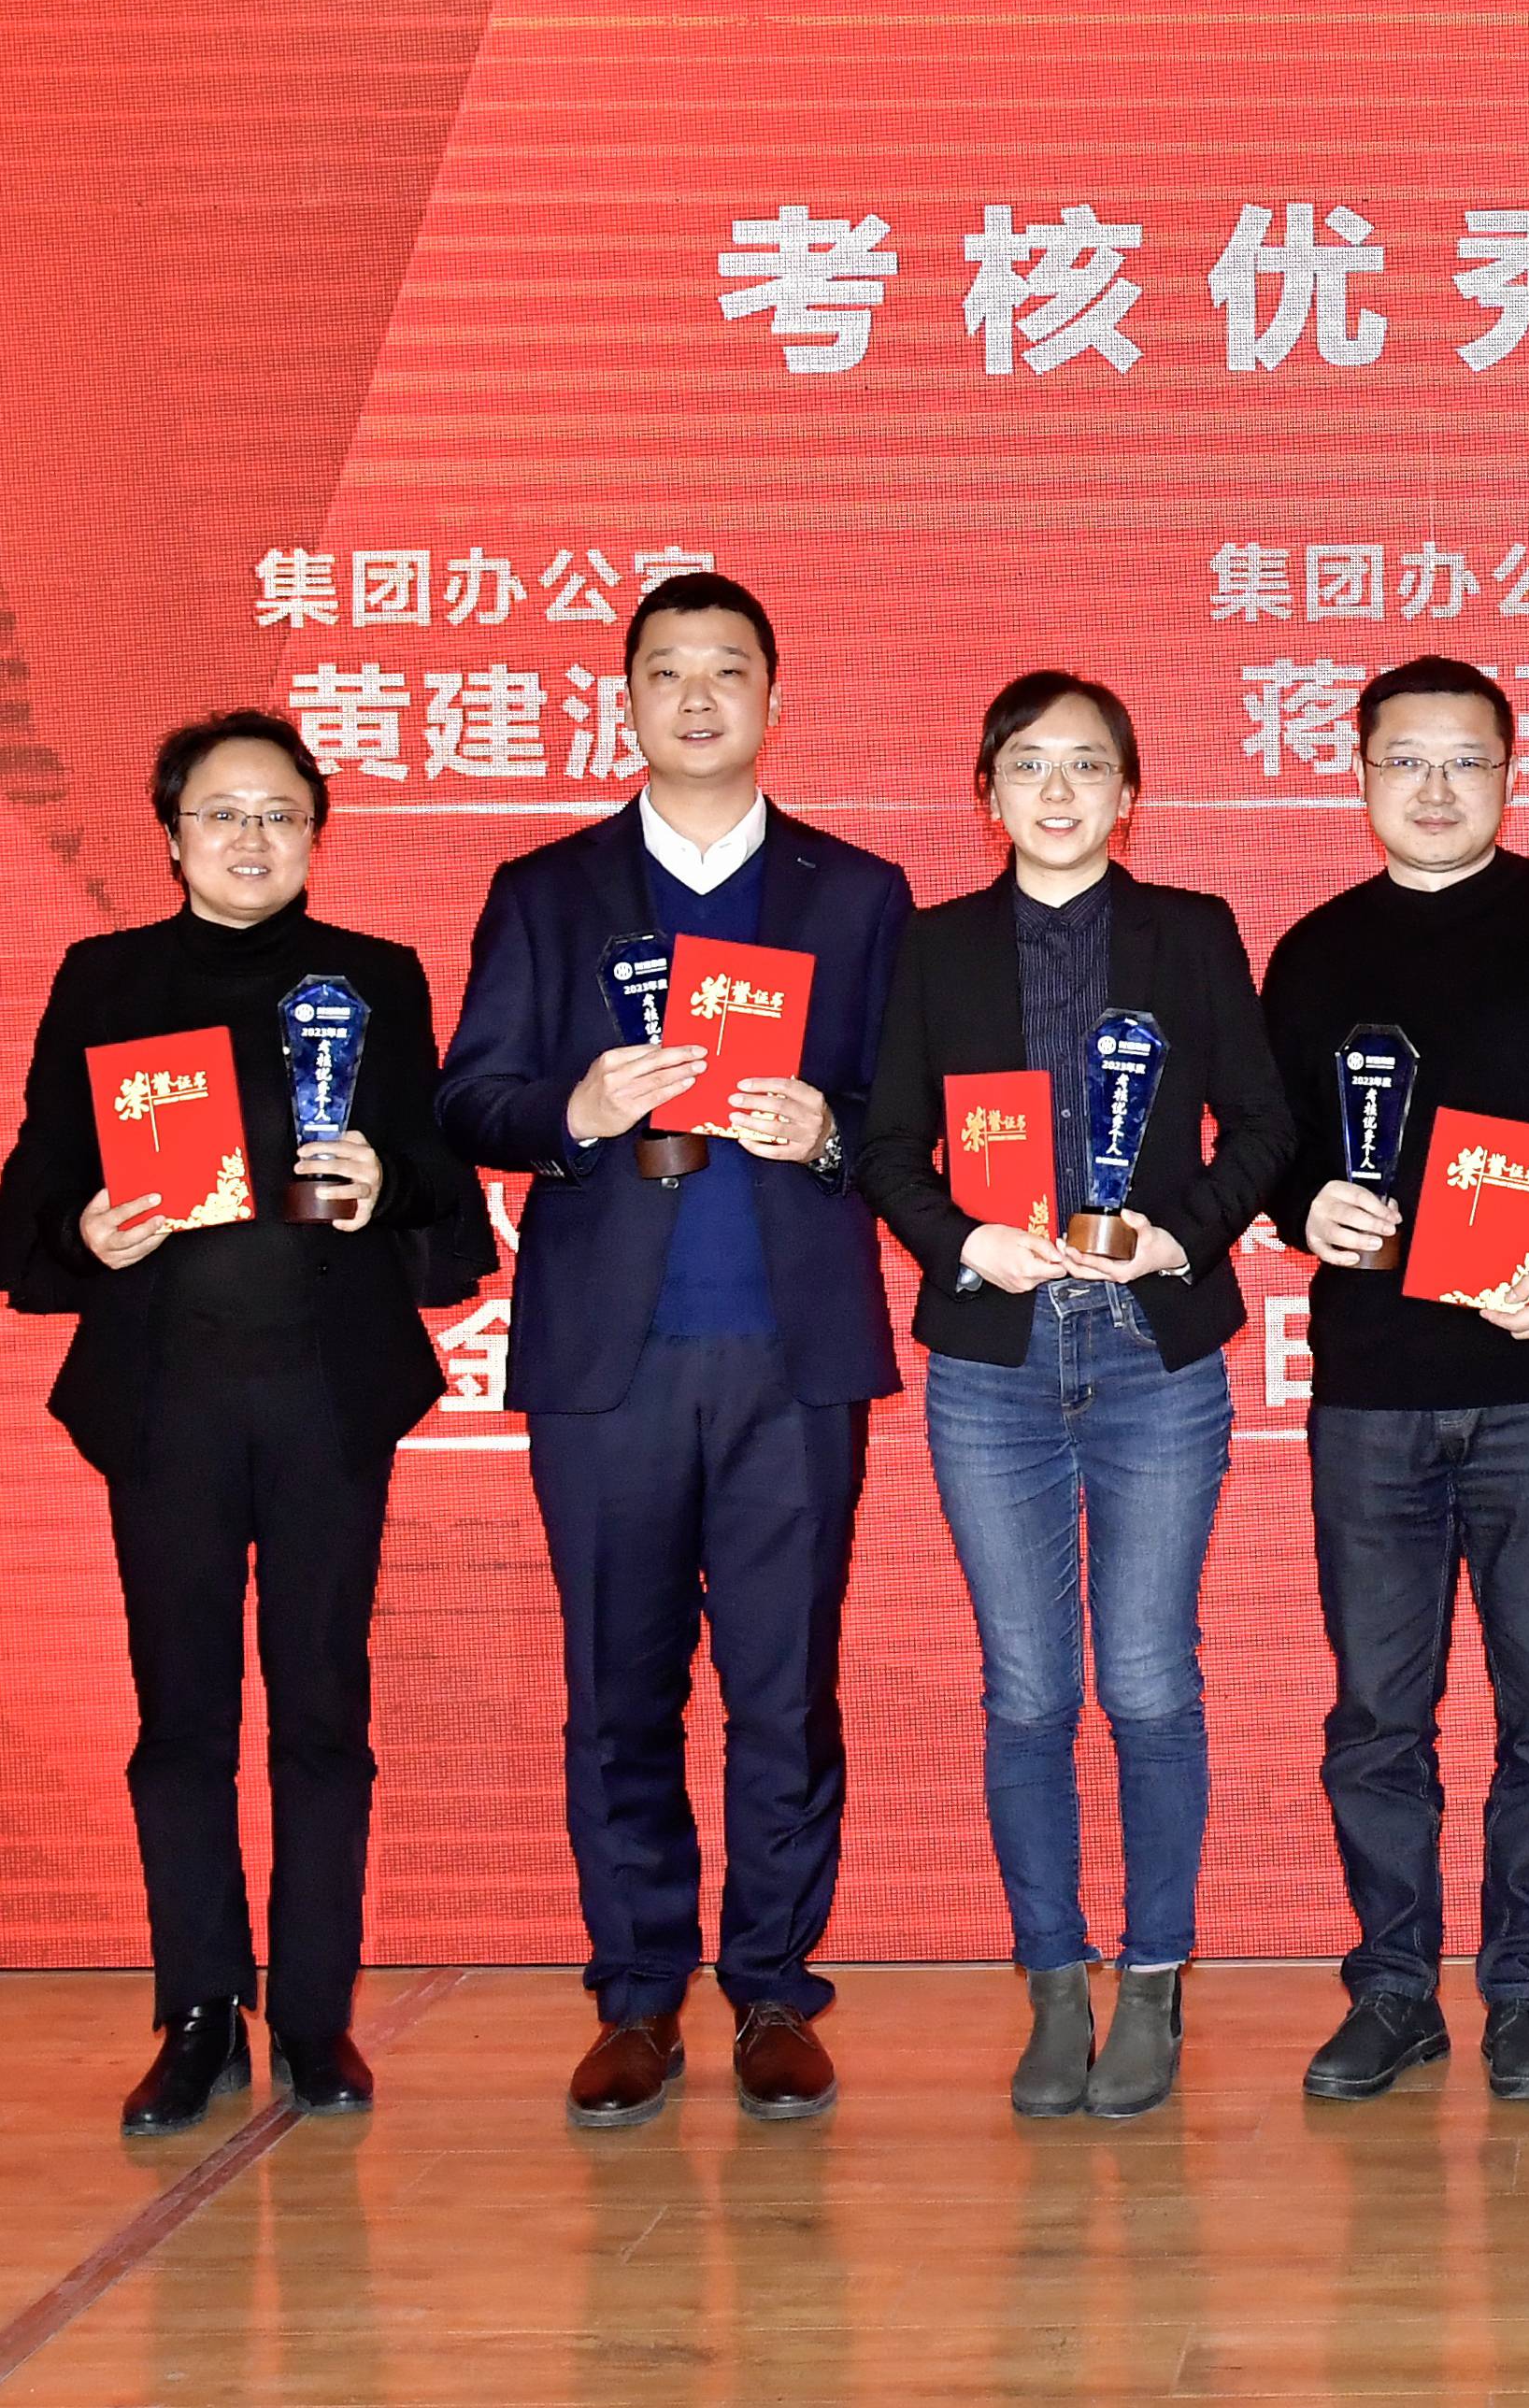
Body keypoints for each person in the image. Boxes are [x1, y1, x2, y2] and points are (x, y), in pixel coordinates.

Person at [437, 571, 913, 2127]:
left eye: (727, 670)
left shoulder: (857, 894)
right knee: (617, 1690)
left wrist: (828, 1129)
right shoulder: (546, 890)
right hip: (610, 1361)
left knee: (785, 1692)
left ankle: (773, 1988)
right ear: (625, 699)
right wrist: (573, 1111)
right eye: (666, 671)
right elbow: (471, 1096)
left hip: (791, 1354)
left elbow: (910, 1116)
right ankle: (637, 1994)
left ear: (775, 697)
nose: (697, 698)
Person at [0, 708, 493, 2131]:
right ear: (171, 836)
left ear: (316, 833)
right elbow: (43, 1173)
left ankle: (318, 2015)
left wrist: (389, 1181)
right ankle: (200, 2010)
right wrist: (85, 1231)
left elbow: (438, 1178)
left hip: (326, 1391)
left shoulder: (375, 976)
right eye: (221, 813)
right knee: (181, 1717)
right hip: (169, 1397)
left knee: (323, 1708)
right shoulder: (106, 978)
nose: (251, 838)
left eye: (279, 813)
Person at [858, 670, 1293, 2121]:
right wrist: (960, 1241)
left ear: (1130, 794)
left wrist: (1185, 1236)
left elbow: (1268, 1123)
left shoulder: (1191, 933)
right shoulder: (933, 947)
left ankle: (1153, 1979)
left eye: (1087, 765)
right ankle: (1054, 1985)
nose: (1057, 790)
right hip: (995, 1361)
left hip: (1153, 1353)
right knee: (1029, 1691)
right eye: (1029, 765)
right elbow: (886, 1142)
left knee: (1149, 1680)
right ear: (986, 795)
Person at [1258, 656, 1529, 2105]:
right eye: (1405, 760)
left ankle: (1523, 1986)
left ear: (1512, 771)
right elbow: (1271, 1144)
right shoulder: (1312, 953)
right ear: (1359, 773)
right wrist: (1304, 1206)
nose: (1434, 789)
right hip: (1372, 1392)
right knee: (1375, 1717)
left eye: (1465, 761)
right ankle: (1392, 1989)